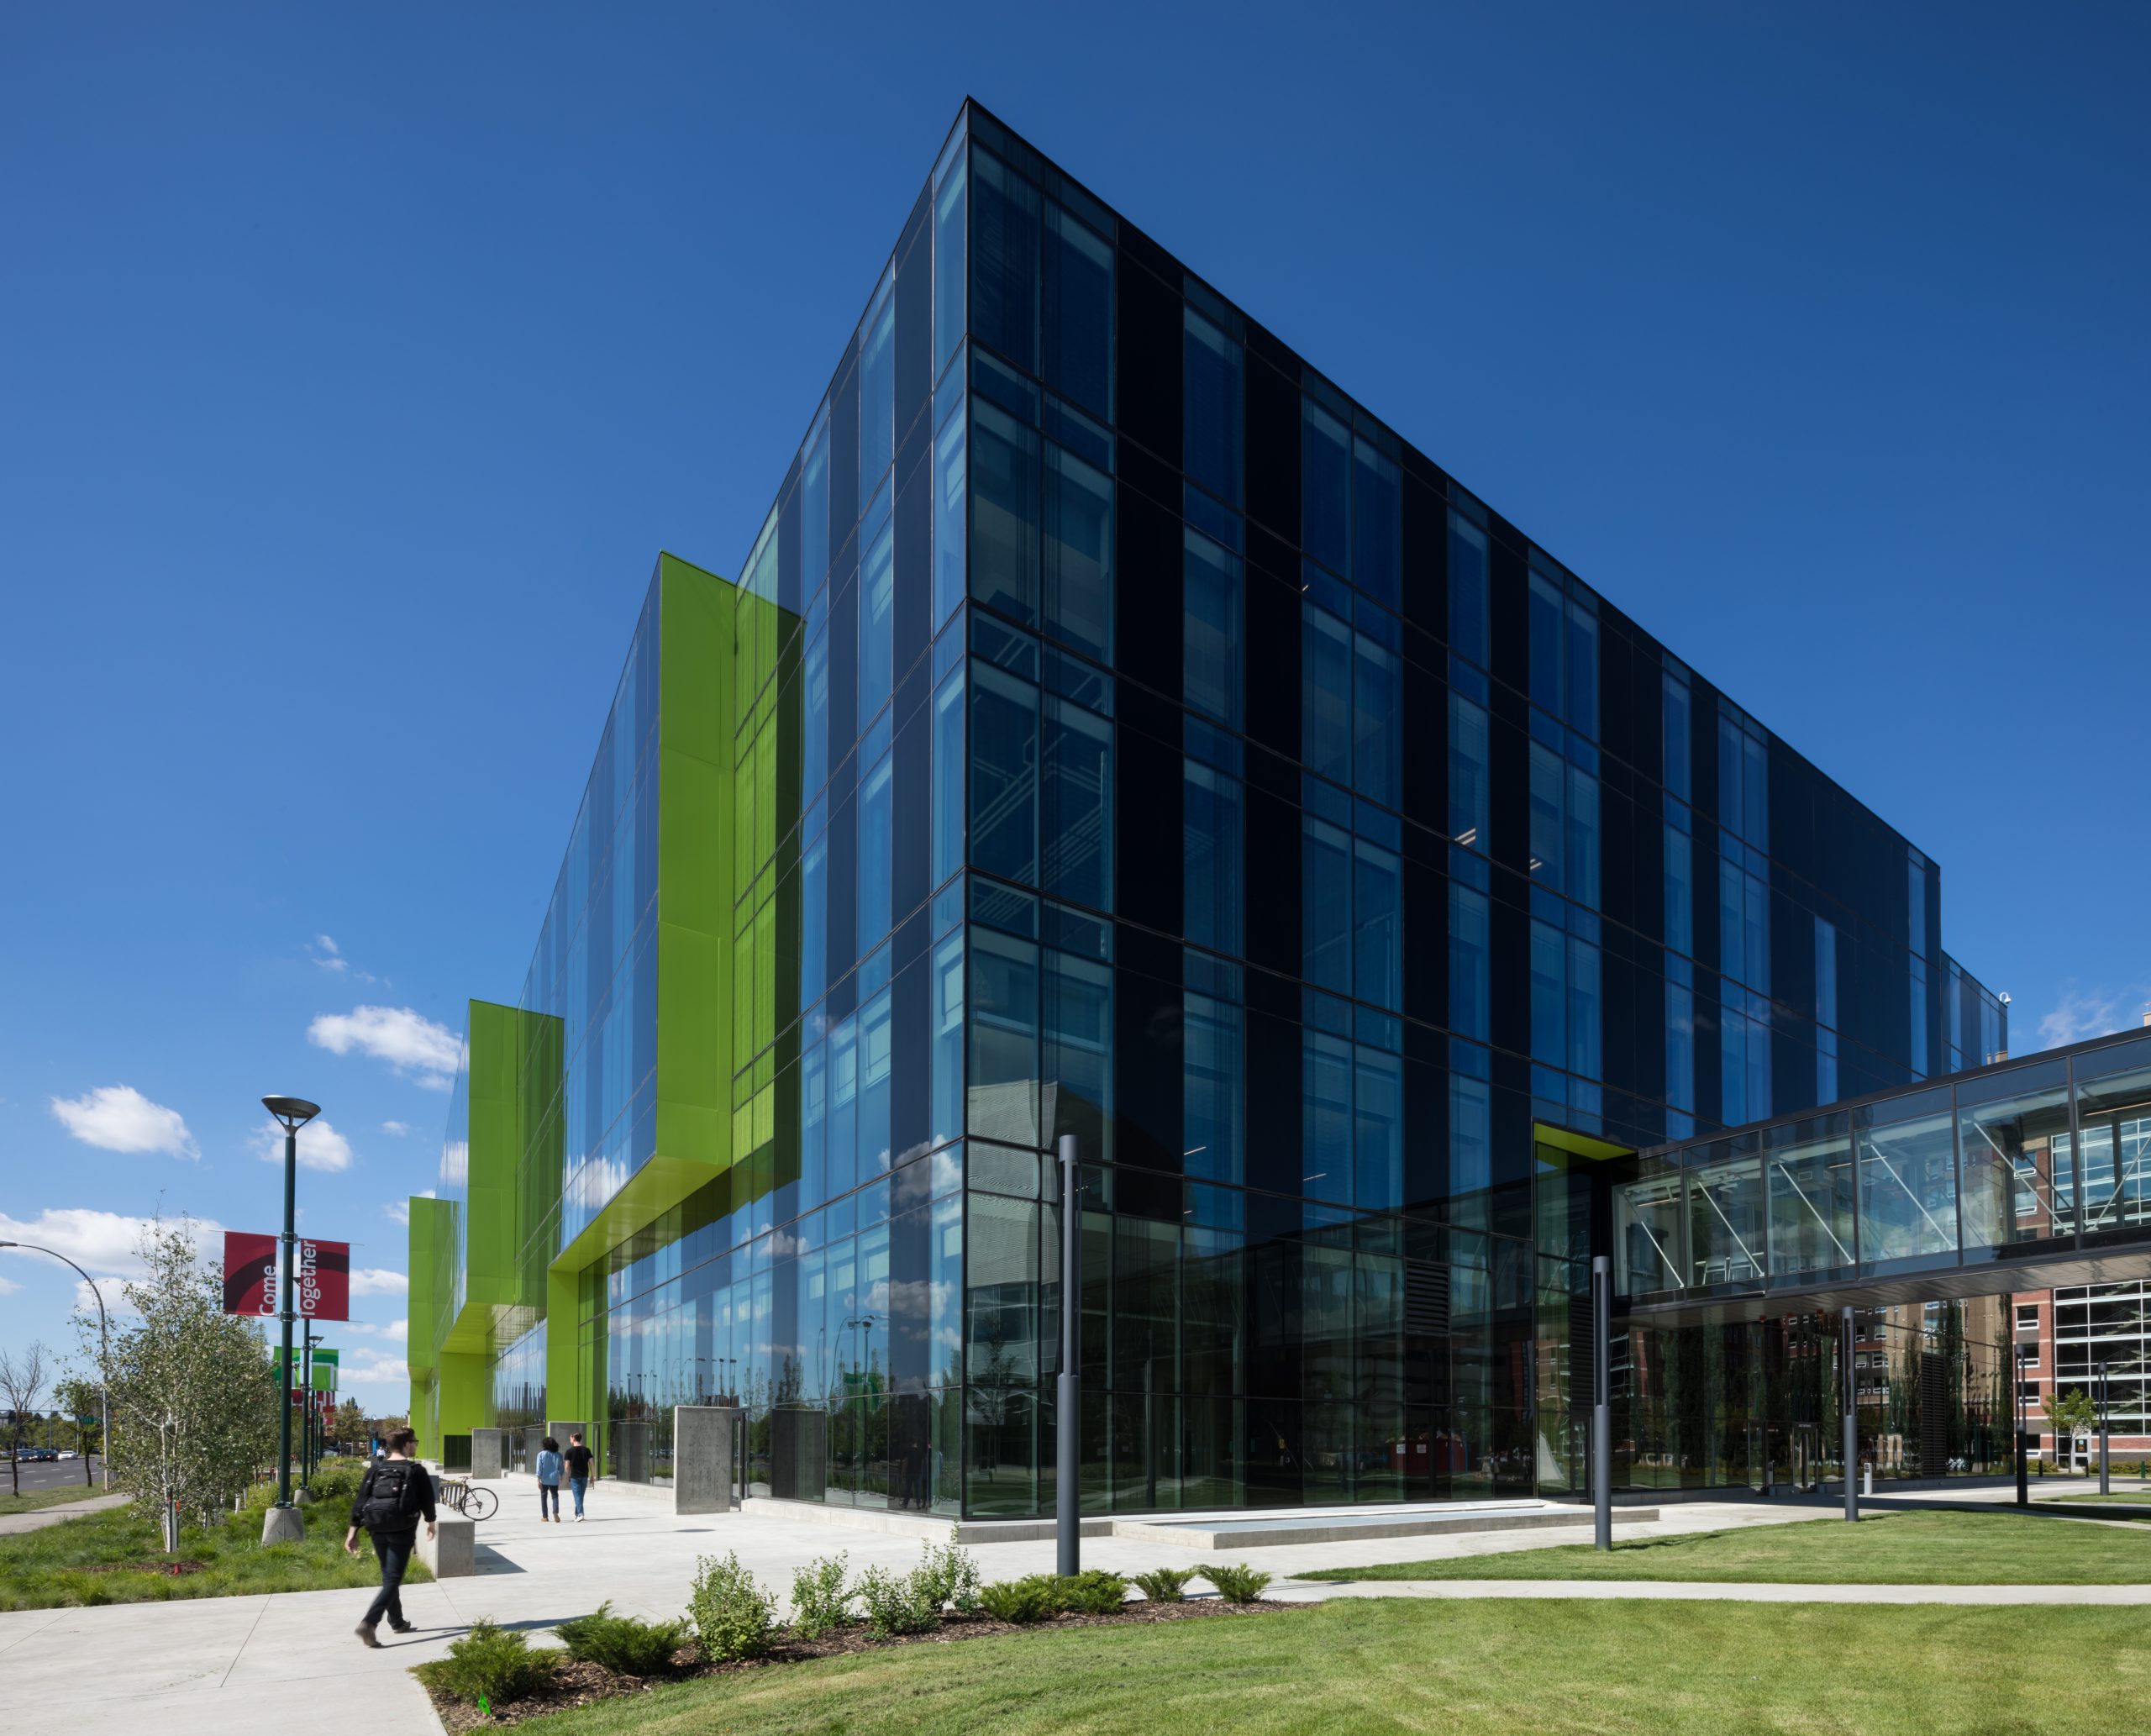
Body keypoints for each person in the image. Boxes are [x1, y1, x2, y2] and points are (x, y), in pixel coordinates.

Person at [344, 1428, 435, 1647]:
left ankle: (397, 1621)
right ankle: (369, 1623)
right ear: (406, 1445)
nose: (416, 1445)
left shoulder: (376, 1470)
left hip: (376, 1528)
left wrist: (352, 1533)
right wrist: (431, 1523)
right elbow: (427, 1500)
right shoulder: (415, 1470)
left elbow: (360, 1502)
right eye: (415, 1441)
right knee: (393, 1579)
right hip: (402, 1529)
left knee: (389, 1577)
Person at [563, 1431, 593, 1521]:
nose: (570, 1440)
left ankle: (580, 1514)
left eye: (570, 1438)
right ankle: (577, 1514)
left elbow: (567, 1466)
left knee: (577, 1496)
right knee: (580, 1497)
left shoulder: (569, 1451)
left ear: (573, 1438)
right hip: (584, 1476)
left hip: (574, 1477)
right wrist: (593, 1475)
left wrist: (568, 1474)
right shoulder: (587, 1450)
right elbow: (591, 1463)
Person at [536, 1436, 562, 1522]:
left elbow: (539, 1468)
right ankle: (555, 1512)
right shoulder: (559, 1455)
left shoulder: (541, 1454)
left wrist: (538, 1480)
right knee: (555, 1496)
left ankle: (545, 1516)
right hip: (554, 1479)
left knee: (544, 1497)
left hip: (544, 1479)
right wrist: (561, 1476)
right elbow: (561, 1467)